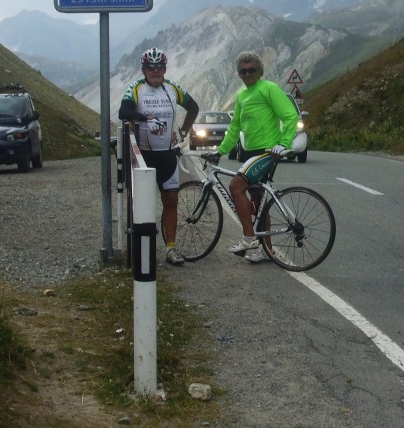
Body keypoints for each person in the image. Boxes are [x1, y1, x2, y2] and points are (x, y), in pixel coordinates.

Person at [211, 51, 299, 263]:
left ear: (260, 70)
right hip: (250, 152)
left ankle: (249, 237)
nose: (248, 74)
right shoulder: (242, 95)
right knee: (258, 203)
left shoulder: (269, 89)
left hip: (267, 151)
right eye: (243, 71)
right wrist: (220, 151)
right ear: (239, 73)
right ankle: (267, 250)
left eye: (252, 70)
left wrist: (284, 144)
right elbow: (235, 127)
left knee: (236, 186)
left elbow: (290, 115)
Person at [118, 47, 200, 265]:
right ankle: (140, 246)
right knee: (141, 203)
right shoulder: (136, 88)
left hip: (166, 155)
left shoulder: (173, 88)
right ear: (144, 70)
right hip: (142, 156)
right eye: (150, 68)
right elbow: (123, 112)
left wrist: (183, 132)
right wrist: (144, 118)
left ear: (164, 69)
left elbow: (193, 108)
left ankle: (171, 248)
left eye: (159, 68)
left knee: (171, 200)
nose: (155, 71)